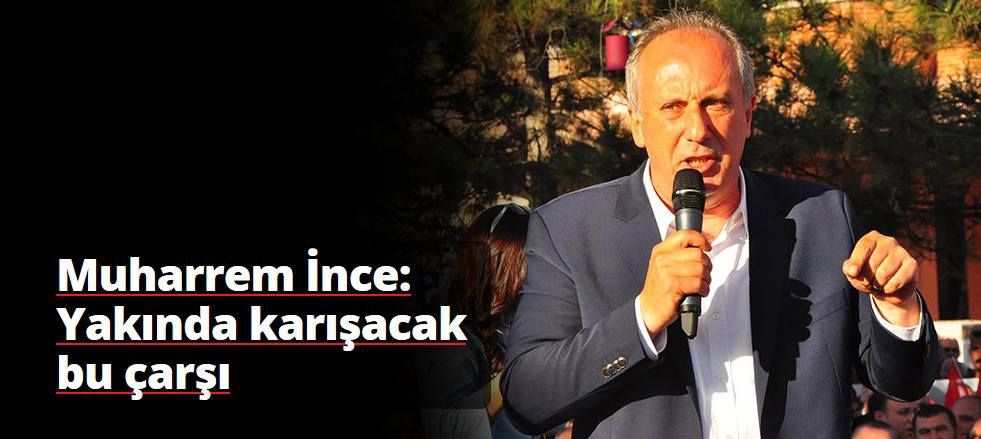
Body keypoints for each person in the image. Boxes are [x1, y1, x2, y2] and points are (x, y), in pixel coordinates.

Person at [500, 9, 941, 438]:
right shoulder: (569, 230)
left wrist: (898, 306)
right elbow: (525, 400)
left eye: (716, 103)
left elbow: (902, 383)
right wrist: (642, 318)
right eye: (673, 106)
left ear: (748, 114)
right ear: (637, 123)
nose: (698, 128)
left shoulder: (820, 216)